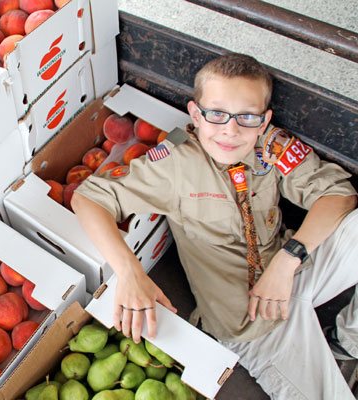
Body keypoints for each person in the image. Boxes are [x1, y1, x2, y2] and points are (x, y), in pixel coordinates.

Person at [71, 52, 358, 399]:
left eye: (247, 116)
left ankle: (346, 340)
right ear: (196, 114)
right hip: (253, 324)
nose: (231, 129)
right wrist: (130, 273)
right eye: (217, 114)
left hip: (296, 266)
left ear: (264, 119)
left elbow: (339, 196)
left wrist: (287, 260)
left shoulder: (269, 144)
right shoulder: (176, 164)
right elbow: (88, 199)